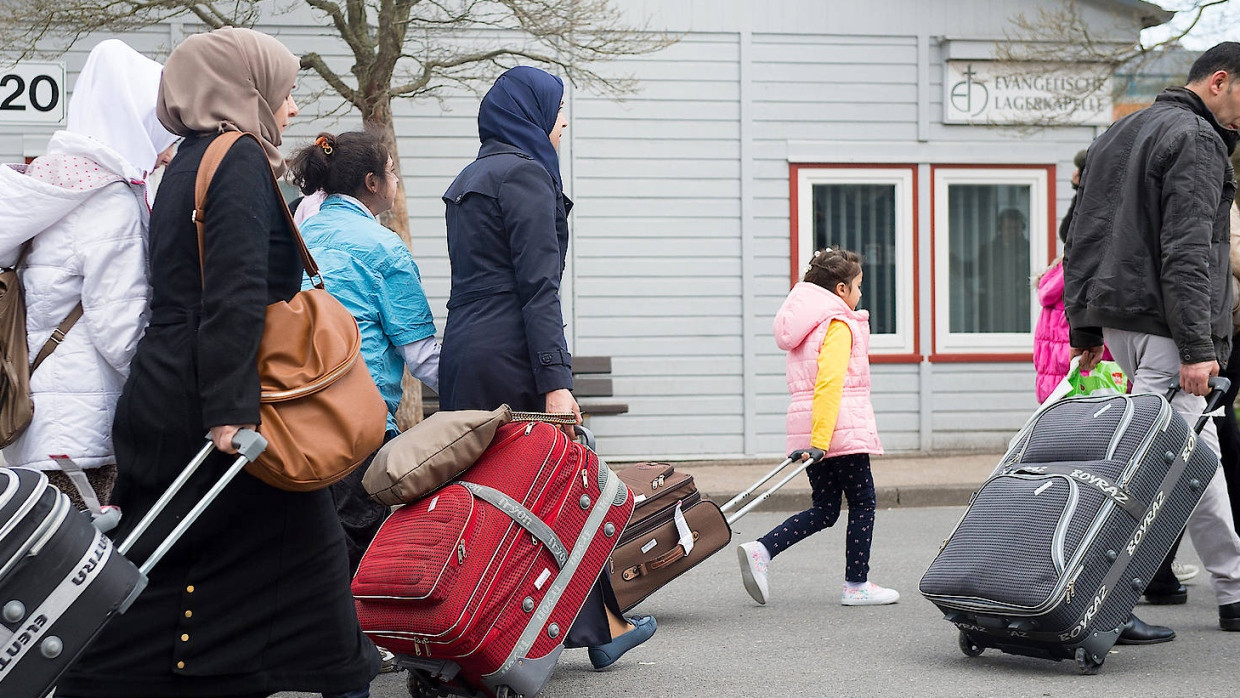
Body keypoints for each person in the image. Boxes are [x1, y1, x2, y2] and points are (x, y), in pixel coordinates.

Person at [56, 28, 379, 698]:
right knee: (286, 563)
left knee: (180, 562)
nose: (290, 111)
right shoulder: (236, 159)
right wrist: (230, 414)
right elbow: (230, 293)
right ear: (244, 90)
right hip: (220, 402)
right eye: (285, 94)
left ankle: (133, 671)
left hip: (176, 388)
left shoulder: (187, 159)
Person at [439, 65, 656, 671]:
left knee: (481, 497)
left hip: (465, 349)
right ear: (532, 113)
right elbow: (538, 290)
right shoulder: (527, 177)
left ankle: (469, 628)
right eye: (559, 112)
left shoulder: (467, 179)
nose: (562, 125)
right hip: (512, 350)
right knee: (561, 489)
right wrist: (558, 382)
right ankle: (596, 628)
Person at [1065, 41, 1240, 636]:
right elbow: (1189, 252)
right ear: (1219, 81)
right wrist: (1198, 347)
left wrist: (1085, 328)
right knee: (1164, 465)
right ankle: (1104, 596)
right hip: (1170, 327)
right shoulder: (1196, 138)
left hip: (1122, 321)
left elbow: (1083, 237)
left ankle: (1231, 589)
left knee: (1184, 457)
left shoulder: (1121, 131)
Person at [0, 40, 177, 510]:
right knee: (81, 574)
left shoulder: (57, 180)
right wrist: (170, 391)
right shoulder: (107, 198)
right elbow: (120, 326)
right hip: (80, 431)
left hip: (36, 417)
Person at [288, 129, 441, 573]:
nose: (396, 180)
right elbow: (422, 355)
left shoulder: (300, 234)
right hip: (357, 422)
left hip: (294, 416)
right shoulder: (384, 247)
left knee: (311, 553)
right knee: (357, 554)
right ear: (373, 183)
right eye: (392, 172)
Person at [736, 247, 899, 607]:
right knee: (863, 502)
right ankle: (857, 584)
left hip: (816, 430)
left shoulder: (807, 326)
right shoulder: (839, 324)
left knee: (826, 509)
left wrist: (815, 439)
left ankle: (762, 549)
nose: (860, 295)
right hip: (837, 431)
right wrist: (822, 440)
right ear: (841, 289)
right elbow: (829, 383)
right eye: (858, 286)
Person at [976, 207, 1032, 333]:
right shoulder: (989, 250)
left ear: (1021, 228)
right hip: (993, 306)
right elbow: (974, 271)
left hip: (1021, 307)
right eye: (1008, 228)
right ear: (1000, 228)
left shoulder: (1029, 250)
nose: (1011, 232)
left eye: (1015, 228)